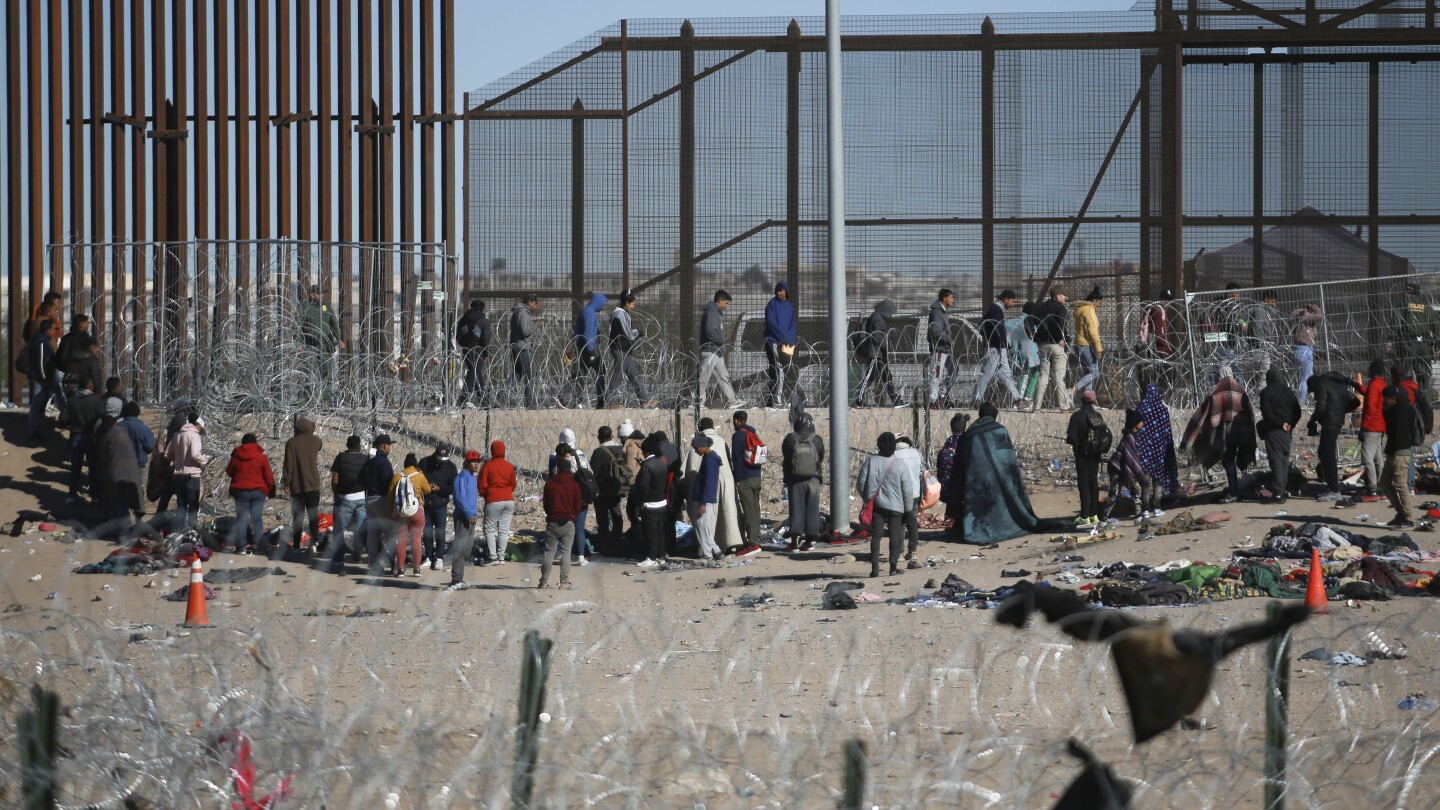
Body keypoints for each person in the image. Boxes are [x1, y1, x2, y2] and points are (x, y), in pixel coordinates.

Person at [1181, 369, 1257, 504]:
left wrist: (1188, 438)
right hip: (1241, 432)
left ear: (1220, 376)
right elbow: (1250, 413)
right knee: (1239, 457)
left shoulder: (1217, 391)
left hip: (1224, 435)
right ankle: (1240, 487)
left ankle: (1233, 491)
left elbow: (1202, 416)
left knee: (1228, 460)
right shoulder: (1240, 390)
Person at [681, 417, 742, 555]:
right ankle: (730, 543)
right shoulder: (721, 442)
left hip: (705, 490)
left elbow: (688, 471)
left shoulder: (698, 445)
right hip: (725, 481)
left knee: (705, 522)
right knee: (726, 513)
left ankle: (706, 550)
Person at [856, 432, 914, 578]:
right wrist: (908, 509)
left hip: (877, 505)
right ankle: (893, 567)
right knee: (894, 535)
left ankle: (875, 569)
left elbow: (860, 483)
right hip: (896, 507)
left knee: (876, 536)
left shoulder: (871, 461)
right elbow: (907, 490)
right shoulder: (900, 464)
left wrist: (867, 498)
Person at [1304, 371, 1362, 500]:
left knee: (1328, 454)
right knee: (1324, 452)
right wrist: (1341, 410)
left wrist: (1312, 421)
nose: (1314, 394)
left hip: (1330, 422)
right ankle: (1329, 481)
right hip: (1336, 421)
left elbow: (1321, 407)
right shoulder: (1335, 383)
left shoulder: (1321, 384)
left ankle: (1334, 489)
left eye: (1312, 390)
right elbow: (1355, 401)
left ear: (1313, 384)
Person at [96, 401, 144, 539]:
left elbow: (103, 458)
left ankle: (120, 532)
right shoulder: (121, 433)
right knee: (124, 503)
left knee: (117, 504)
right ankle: (124, 532)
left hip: (113, 474)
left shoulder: (105, 437)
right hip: (129, 474)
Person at [781, 413, 825, 551]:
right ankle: (809, 542)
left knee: (796, 509)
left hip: (795, 479)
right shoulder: (817, 439)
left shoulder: (790, 438)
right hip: (814, 478)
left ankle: (794, 542)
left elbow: (786, 456)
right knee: (813, 508)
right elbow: (821, 457)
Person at [1257, 367, 1301, 504]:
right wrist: (1289, 424)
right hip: (1286, 431)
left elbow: (1267, 413)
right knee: (1283, 460)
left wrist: (1279, 423)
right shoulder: (1288, 392)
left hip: (1273, 431)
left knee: (1276, 461)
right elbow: (1298, 411)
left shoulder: (1266, 392)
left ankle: (1278, 493)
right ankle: (1282, 487)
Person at [225, 434, 276, 553]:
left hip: (240, 491)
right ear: (255, 442)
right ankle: (257, 545)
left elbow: (229, 470)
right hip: (258, 491)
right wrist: (271, 489)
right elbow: (268, 475)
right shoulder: (261, 456)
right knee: (257, 519)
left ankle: (241, 546)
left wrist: (239, 476)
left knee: (242, 519)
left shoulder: (236, 455)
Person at [604, 292, 656, 408]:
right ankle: (611, 402)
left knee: (633, 374)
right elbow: (627, 332)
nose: (634, 306)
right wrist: (637, 333)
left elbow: (626, 331)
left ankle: (644, 400)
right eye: (633, 304)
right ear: (627, 303)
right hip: (620, 347)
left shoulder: (619, 313)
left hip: (623, 348)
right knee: (618, 375)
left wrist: (636, 332)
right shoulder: (620, 314)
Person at [1104, 409, 1157, 520]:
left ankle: (1138, 516)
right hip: (1117, 470)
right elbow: (1130, 459)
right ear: (1135, 423)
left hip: (1125, 469)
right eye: (1141, 421)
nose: (1143, 423)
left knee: (1135, 491)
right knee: (1113, 495)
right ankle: (1103, 519)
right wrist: (1140, 473)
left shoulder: (1134, 436)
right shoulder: (1129, 438)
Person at [547, 432, 591, 565]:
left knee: (562, 526)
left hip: (565, 500)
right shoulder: (582, 459)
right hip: (582, 497)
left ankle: (563, 554)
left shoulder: (559, 464)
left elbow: (553, 480)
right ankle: (581, 556)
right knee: (579, 528)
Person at [538, 457, 582, 589]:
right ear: (569, 469)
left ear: (557, 469)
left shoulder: (550, 484)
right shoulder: (574, 485)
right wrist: (573, 516)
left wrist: (551, 514)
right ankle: (564, 582)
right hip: (568, 521)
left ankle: (543, 582)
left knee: (549, 552)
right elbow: (577, 506)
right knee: (566, 552)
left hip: (552, 521)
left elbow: (546, 504)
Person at [282, 416, 323, 551]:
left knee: (298, 517)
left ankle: (296, 544)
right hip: (313, 484)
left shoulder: (291, 443)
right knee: (313, 516)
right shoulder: (316, 441)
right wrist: (312, 430)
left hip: (297, 485)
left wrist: (287, 481)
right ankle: (314, 543)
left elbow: (289, 464)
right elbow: (318, 445)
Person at [1065, 390, 1107, 526]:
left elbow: (1071, 437)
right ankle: (1094, 514)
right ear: (1094, 401)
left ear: (1081, 400)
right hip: (1095, 455)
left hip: (1082, 455)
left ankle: (1084, 516)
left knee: (1083, 484)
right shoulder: (1097, 415)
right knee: (1093, 483)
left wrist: (1077, 443)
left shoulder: (1077, 416)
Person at [388, 453, 433, 577]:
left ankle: (401, 569)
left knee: (401, 541)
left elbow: (390, 496)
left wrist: (392, 510)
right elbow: (428, 490)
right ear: (415, 464)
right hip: (416, 511)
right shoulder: (419, 476)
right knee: (416, 540)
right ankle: (417, 569)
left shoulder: (397, 476)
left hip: (400, 513)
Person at [1380, 385, 1419, 529]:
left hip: (1400, 451)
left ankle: (1407, 516)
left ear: (1394, 399)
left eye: (1386, 399)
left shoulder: (1403, 409)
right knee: (1384, 483)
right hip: (1393, 451)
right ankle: (1400, 513)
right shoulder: (1394, 409)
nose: (1384, 401)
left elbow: (1399, 432)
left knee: (1400, 485)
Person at [328, 435, 370, 568]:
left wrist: (336, 495)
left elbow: (335, 480)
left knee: (340, 530)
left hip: (344, 498)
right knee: (360, 528)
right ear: (359, 446)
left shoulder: (341, 457)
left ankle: (338, 558)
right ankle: (357, 555)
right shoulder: (365, 459)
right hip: (361, 498)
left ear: (347, 445)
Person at [1134, 383, 1181, 501]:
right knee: (1159, 476)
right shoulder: (1162, 409)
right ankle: (1157, 505)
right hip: (1160, 449)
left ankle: (1145, 507)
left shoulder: (1140, 409)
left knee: (1145, 480)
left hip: (1144, 450)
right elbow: (1166, 430)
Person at [632, 434, 673, 568]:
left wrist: (640, 503)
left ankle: (651, 557)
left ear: (647, 451)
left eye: (643, 452)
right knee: (660, 531)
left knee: (650, 532)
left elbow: (643, 486)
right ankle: (661, 556)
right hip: (662, 502)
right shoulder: (662, 462)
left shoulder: (647, 465)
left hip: (650, 504)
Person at [298, 285, 344, 403]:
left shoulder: (327, 307)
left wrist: (338, 339)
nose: (322, 295)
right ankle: (306, 399)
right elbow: (296, 326)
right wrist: (299, 343)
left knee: (326, 373)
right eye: (319, 293)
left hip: (325, 345)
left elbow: (334, 324)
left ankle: (326, 400)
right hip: (309, 344)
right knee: (307, 371)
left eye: (322, 293)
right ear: (312, 294)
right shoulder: (303, 307)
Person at [1392, 281, 1439, 394]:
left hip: (1409, 345)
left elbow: (1395, 323)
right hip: (1425, 346)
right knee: (1424, 377)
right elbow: (1437, 327)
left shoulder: (1403, 303)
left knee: (1401, 374)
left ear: (1409, 292)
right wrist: (1437, 347)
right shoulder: (1426, 306)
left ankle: (1401, 400)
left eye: (1405, 291)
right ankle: (1424, 405)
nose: (1403, 294)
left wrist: (1390, 339)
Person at [697, 290, 742, 409]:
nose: (727, 306)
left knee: (723, 376)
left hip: (716, 350)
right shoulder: (712, 312)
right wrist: (722, 341)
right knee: (704, 375)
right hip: (710, 349)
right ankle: (696, 401)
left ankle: (732, 400)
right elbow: (711, 332)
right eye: (726, 303)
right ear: (720, 301)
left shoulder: (715, 312)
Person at [165, 411, 209, 527]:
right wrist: (205, 459)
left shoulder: (177, 435)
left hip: (179, 476)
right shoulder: (194, 435)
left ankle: (180, 533)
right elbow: (195, 454)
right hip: (192, 476)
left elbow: (167, 454)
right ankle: (192, 532)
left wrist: (177, 460)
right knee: (193, 506)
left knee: (181, 507)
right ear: (198, 426)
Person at [359, 434, 396, 572]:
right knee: (389, 533)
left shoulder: (369, 461)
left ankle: (373, 563)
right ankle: (393, 563)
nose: (390, 448)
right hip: (381, 498)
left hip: (369, 498)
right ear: (384, 446)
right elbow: (389, 482)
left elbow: (361, 480)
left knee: (373, 533)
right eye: (389, 445)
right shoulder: (383, 462)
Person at [445, 450, 482, 590]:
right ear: (467, 462)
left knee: (467, 549)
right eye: (473, 461)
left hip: (471, 517)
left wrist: (474, 513)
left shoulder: (473, 478)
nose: (476, 464)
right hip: (463, 517)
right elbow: (459, 499)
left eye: (477, 462)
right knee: (460, 549)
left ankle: (460, 577)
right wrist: (468, 514)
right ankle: (456, 579)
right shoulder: (462, 477)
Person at [417, 444, 458, 570]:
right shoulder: (424, 463)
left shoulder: (451, 467)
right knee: (427, 533)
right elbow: (417, 479)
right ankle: (429, 557)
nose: (441, 462)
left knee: (440, 532)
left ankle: (439, 557)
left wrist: (440, 489)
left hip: (440, 504)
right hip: (426, 504)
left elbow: (453, 487)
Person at [730, 411, 765, 555]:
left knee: (749, 511)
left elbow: (736, 459)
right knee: (756, 510)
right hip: (756, 475)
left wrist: (737, 479)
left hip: (745, 478)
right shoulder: (753, 433)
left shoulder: (737, 436)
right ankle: (754, 538)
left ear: (737, 421)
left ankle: (751, 543)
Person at [478, 439, 517, 565]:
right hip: (509, 499)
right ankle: (501, 557)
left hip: (494, 499)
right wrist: (506, 491)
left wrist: (487, 495)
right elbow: (513, 484)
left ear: (492, 451)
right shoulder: (509, 466)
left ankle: (493, 556)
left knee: (489, 529)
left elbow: (482, 485)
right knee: (503, 530)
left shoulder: (488, 466)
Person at [858, 299, 903, 407]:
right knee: (869, 378)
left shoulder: (877, 317)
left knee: (886, 377)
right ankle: (859, 401)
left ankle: (894, 400)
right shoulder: (877, 318)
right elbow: (878, 336)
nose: (890, 315)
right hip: (875, 353)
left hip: (878, 353)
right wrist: (886, 343)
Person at [567, 292, 608, 408]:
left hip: (581, 346)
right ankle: (601, 402)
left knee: (580, 373)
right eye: (603, 304)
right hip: (589, 347)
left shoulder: (586, 311)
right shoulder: (589, 313)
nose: (603, 307)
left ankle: (575, 400)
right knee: (600, 372)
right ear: (598, 302)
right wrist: (590, 351)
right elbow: (588, 333)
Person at [590, 425, 626, 554]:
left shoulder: (599, 452)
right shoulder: (621, 449)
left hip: (603, 489)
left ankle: (605, 546)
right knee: (616, 515)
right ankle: (618, 542)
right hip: (617, 487)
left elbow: (593, 473)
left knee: (603, 518)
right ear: (611, 436)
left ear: (599, 438)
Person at [687, 435, 725, 560]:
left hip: (703, 499)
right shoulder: (709, 458)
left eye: (696, 448)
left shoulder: (709, 460)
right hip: (705, 498)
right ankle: (716, 550)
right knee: (704, 528)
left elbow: (708, 483)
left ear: (703, 447)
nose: (696, 451)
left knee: (701, 527)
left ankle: (707, 554)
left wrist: (703, 502)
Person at [1033, 289, 1069, 411]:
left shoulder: (1041, 307)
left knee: (1043, 375)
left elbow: (1035, 322)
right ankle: (1063, 406)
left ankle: (1036, 406)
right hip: (1056, 344)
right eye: (1064, 294)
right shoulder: (1061, 308)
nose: (1066, 297)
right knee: (1058, 376)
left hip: (1042, 344)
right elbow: (1060, 323)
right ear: (1058, 296)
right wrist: (1061, 337)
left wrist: (1037, 339)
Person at [24, 318, 59, 439]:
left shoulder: (40, 339)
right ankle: (33, 431)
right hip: (40, 378)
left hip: (40, 377)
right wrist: (44, 379)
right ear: (48, 330)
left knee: (38, 404)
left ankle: (35, 429)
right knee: (36, 405)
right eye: (53, 329)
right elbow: (40, 362)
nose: (55, 331)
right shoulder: (42, 342)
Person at [763, 281, 797, 407]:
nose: (779, 292)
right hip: (774, 342)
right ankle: (776, 400)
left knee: (784, 371)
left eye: (782, 290)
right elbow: (771, 323)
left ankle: (775, 398)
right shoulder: (772, 305)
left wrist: (791, 339)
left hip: (787, 344)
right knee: (778, 371)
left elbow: (792, 325)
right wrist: (782, 337)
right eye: (778, 290)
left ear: (786, 291)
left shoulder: (789, 307)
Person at [1359, 359, 1390, 497]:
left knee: (1367, 457)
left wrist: (1364, 427)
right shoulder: (1382, 384)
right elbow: (1370, 394)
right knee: (1378, 458)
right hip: (1381, 426)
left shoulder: (1374, 385)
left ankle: (1372, 487)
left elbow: (1370, 407)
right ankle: (1382, 485)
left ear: (1372, 371)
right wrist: (1357, 386)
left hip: (1372, 427)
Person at [454, 299, 492, 407]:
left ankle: (484, 400)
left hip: (466, 349)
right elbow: (485, 338)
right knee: (474, 371)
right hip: (478, 349)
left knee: (476, 372)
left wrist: (465, 345)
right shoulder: (484, 321)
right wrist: (486, 353)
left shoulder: (463, 320)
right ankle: (462, 399)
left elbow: (458, 336)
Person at [935, 412, 969, 530]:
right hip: (963, 490)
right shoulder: (967, 444)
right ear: (964, 427)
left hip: (946, 490)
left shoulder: (945, 448)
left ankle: (951, 525)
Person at [893, 434, 925, 561]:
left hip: (899, 494)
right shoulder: (916, 452)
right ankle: (912, 552)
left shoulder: (894, 455)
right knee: (912, 523)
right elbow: (921, 471)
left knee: (900, 524)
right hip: (915, 492)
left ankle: (899, 552)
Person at [56, 314, 101, 400]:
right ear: (81, 325)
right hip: (84, 380)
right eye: (87, 323)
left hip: (69, 376)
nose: (88, 325)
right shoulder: (85, 339)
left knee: (71, 403)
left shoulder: (66, 338)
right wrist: (98, 390)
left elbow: (59, 358)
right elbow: (95, 373)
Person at [507, 293, 540, 409]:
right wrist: (535, 325)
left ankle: (501, 394)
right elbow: (525, 332)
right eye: (535, 303)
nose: (536, 305)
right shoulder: (523, 313)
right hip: (523, 349)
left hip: (517, 348)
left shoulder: (518, 312)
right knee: (530, 375)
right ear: (530, 302)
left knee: (517, 375)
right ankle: (530, 403)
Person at [927, 288, 959, 407]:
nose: (952, 300)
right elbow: (936, 330)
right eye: (951, 297)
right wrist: (948, 339)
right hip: (939, 348)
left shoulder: (942, 312)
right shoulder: (937, 312)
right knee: (936, 374)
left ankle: (942, 395)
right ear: (944, 298)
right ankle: (933, 400)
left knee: (954, 369)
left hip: (945, 349)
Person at [1073, 286, 1104, 397]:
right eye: (1099, 302)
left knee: (1088, 372)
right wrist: (1099, 349)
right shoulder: (1089, 311)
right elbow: (1093, 332)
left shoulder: (1081, 310)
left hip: (1078, 343)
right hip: (1085, 345)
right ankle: (1073, 389)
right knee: (1094, 372)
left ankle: (1088, 400)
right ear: (1094, 301)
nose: (1100, 305)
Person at [1009, 303, 1041, 403]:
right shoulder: (1031, 321)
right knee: (1034, 373)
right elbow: (1035, 336)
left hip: (1015, 352)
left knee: (1021, 375)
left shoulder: (1009, 322)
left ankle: (1018, 398)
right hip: (1031, 352)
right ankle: (1025, 398)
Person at [1291, 303, 1323, 401]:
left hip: (1298, 348)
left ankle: (1301, 398)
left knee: (1304, 375)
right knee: (1306, 377)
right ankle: (1301, 402)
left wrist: (1302, 309)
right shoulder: (1306, 316)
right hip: (1304, 349)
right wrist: (1313, 306)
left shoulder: (1297, 316)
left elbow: (1293, 314)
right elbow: (1319, 315)